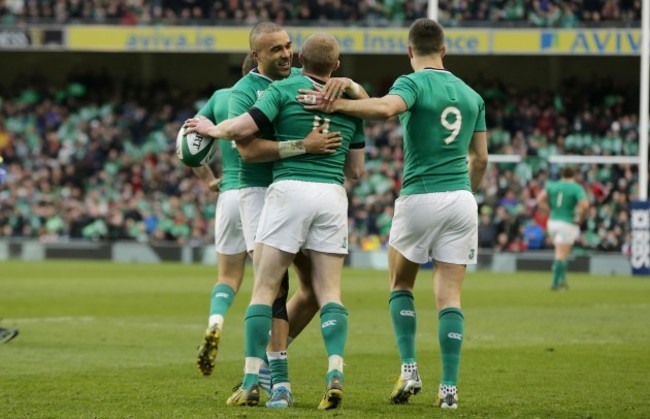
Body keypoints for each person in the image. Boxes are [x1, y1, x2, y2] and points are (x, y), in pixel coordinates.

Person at [297, 18, 488, 409]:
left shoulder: (412, 83)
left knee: (401, 286)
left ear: (409, 50)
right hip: (462, 199)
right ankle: (449, 390)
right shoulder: (472, 96)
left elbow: (384, 109)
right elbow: (481, 158)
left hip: (420, 195)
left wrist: (338, 103)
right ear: (444, 50)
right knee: (450, 297)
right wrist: (467, 191)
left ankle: (410, 368)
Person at [190, 22, 368, 408]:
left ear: (301, 55)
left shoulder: (293, 84)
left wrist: (350, 85)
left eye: (289, 47)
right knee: (292, 289)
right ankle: (283, 379)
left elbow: (239, 131)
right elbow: (248, 151)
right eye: (276, 50)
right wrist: (303, 145)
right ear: (256, 56)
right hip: (259, 193)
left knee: (295, 291)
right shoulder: (243, 92)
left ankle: (263, 371)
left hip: (288, 194)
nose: (285, 54)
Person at [536, 166, 589, 290]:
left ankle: (562, 281)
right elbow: (585, 205)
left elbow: (539, 199)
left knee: (559, 252)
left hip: (552, 222)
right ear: (573, 175)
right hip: (567, 222)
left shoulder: (553, 185)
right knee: (561, 254)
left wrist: (550, 210)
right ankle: (555, 283)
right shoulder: (576, 187)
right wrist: (580, 217)